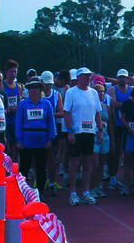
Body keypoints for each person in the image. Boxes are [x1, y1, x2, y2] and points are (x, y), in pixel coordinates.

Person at [64, 67, 103, 205]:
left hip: (89, 132)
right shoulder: (71, 92)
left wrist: (100, 130)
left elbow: (98, 113)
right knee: (74, 162)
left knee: (87, 162)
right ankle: (73, 193)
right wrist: (69, 131)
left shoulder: (93, 93)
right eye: (86, 76)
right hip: (77, 132)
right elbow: (66, 113)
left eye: (90, 76)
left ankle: (86, 192)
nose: (89, 78)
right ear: (79, 77)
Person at [15, 77, 56, 197]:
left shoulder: (46, 104)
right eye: (31, 87)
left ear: (40, 89)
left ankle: (39, 192)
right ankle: (22, 193)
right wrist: (19, 140)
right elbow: (19, 122)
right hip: (27, 140)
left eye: (36, 87)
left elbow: (50, 123)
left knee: (41, 168)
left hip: (42, 141)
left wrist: (49, 139)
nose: (33, 90)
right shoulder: (23, 104)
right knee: (24, 168)